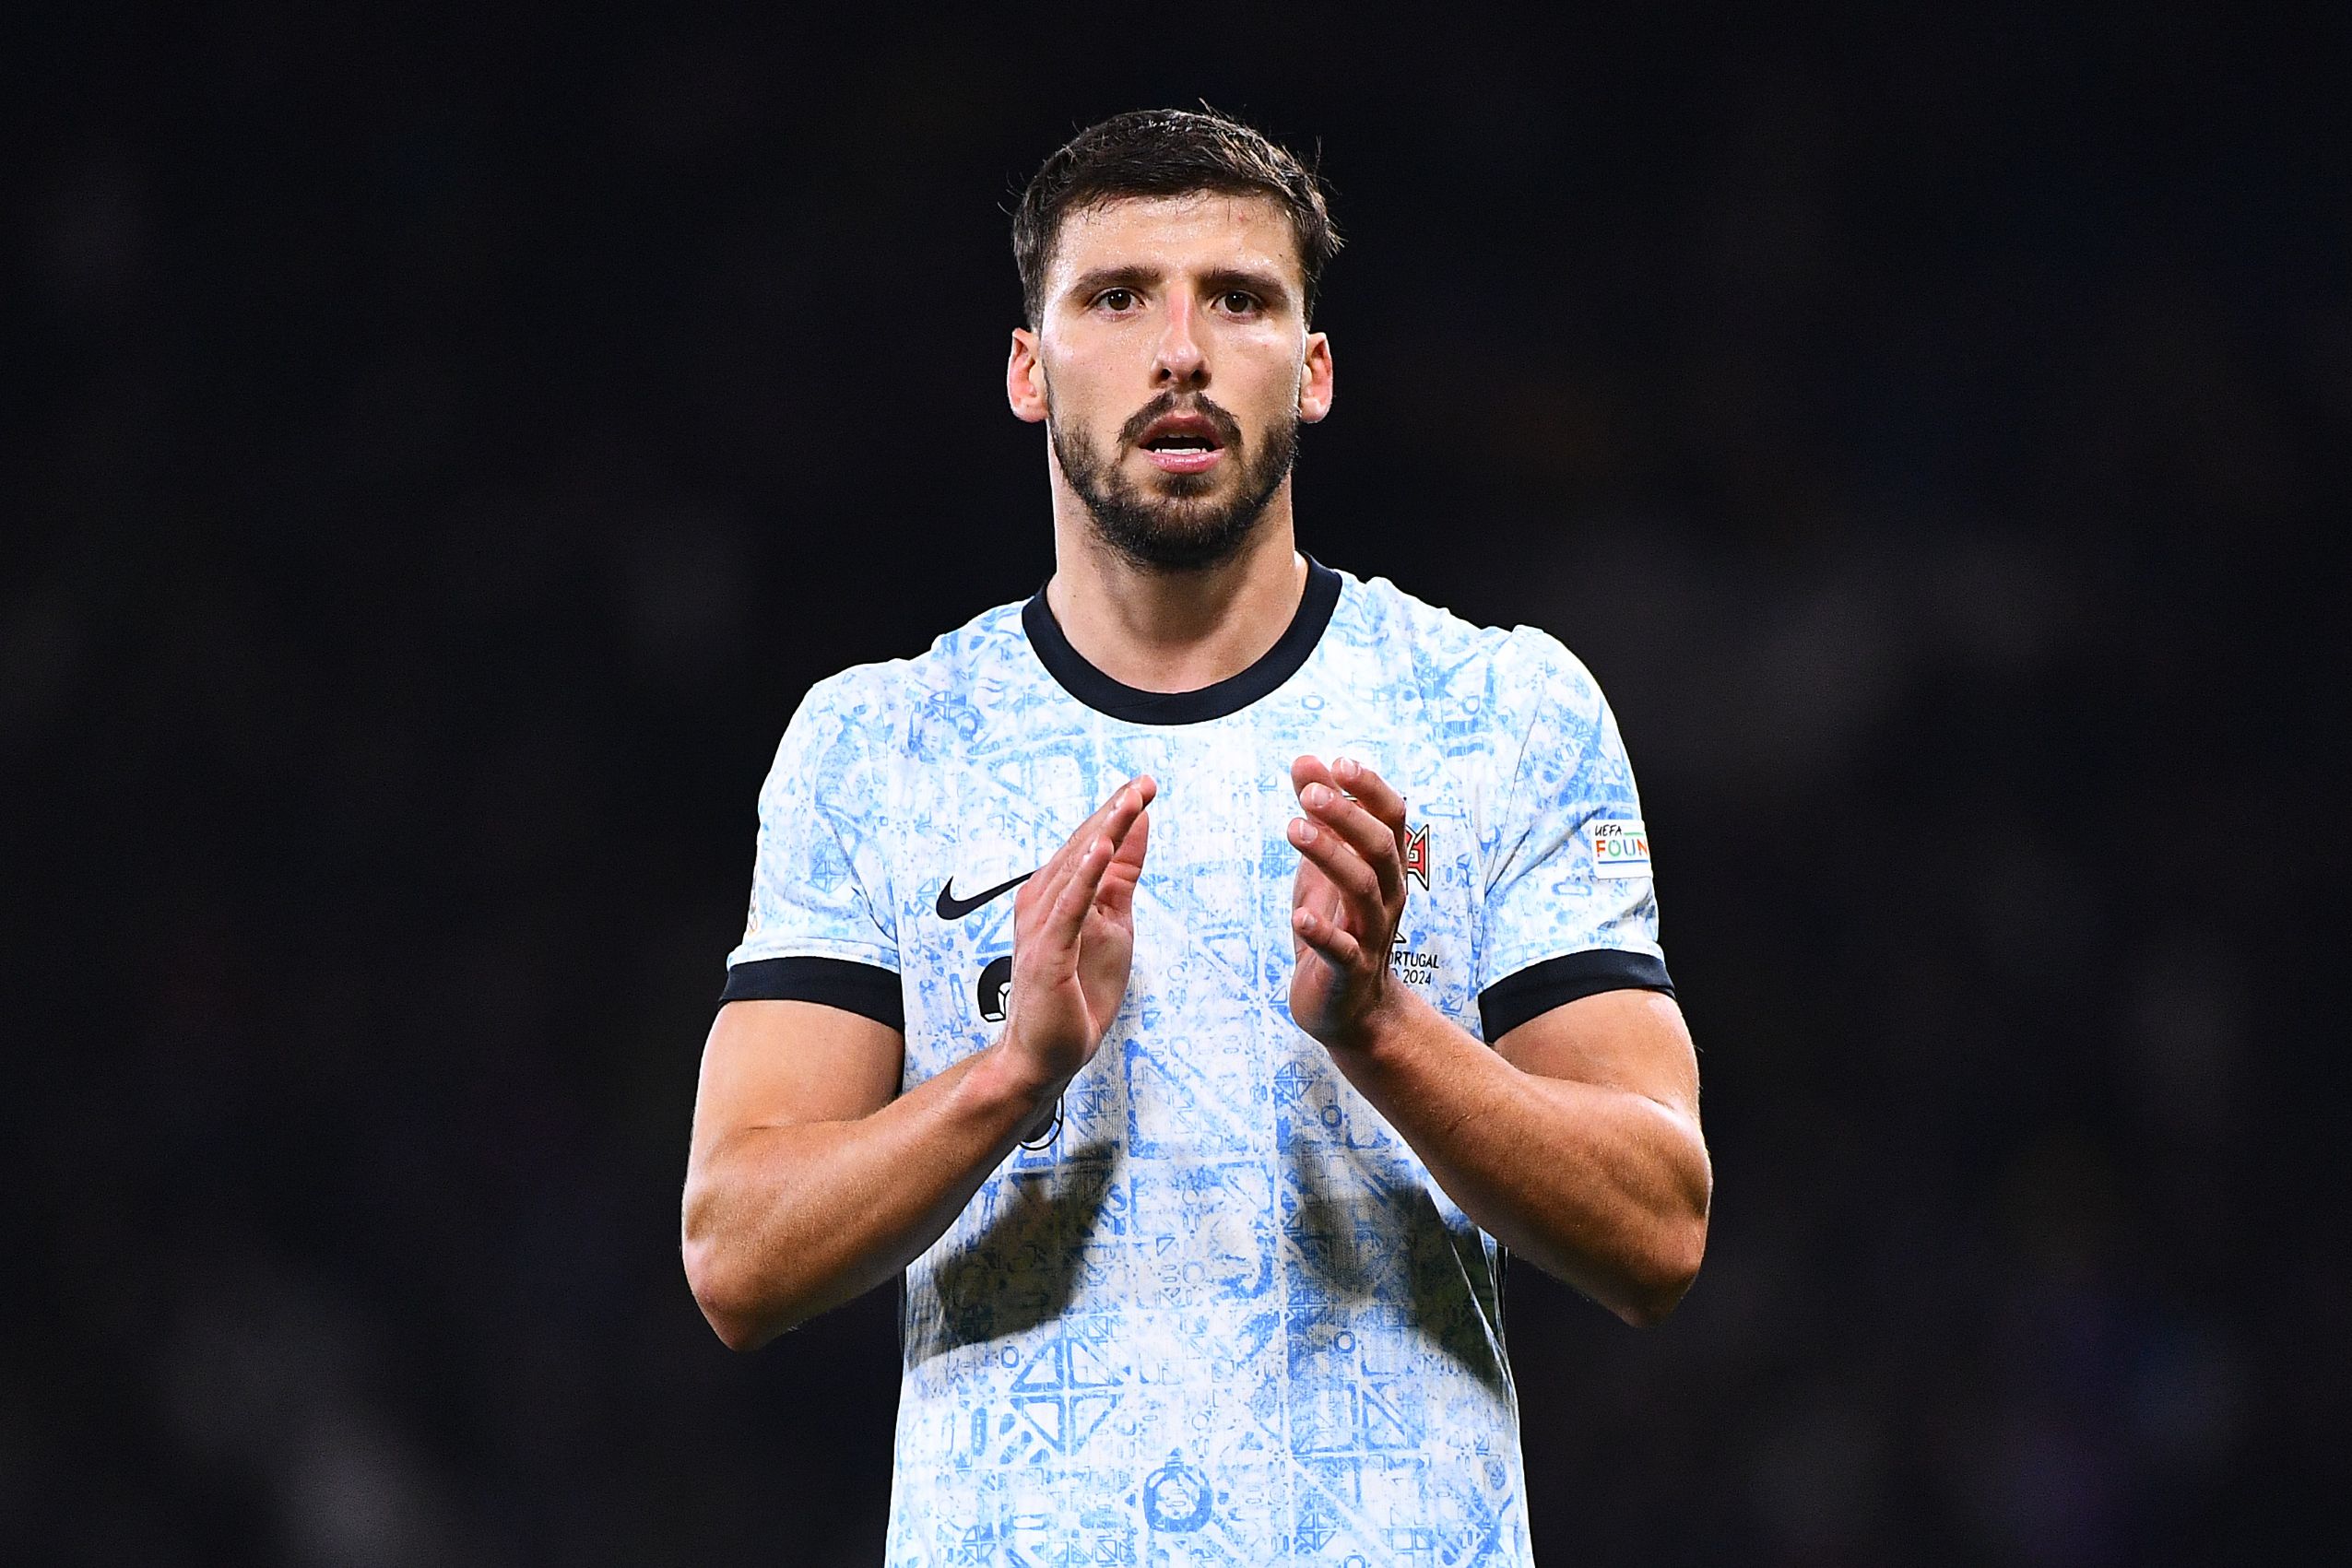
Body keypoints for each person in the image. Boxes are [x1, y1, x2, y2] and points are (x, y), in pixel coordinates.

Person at [682, 108, 1711, 1565]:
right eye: (1117, 297)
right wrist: (1013, 1075)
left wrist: (1381, 1028)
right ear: (1031, 370)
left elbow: (1658, 1226)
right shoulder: (880, 745)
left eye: (1240, 298)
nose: (1182, 348)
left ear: (1315, 366)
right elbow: (735, 1249)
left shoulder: (1499, 711)